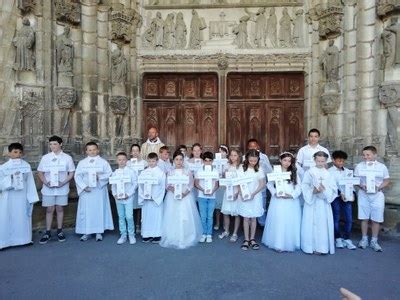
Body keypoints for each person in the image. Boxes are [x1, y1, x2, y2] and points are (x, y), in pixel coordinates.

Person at [0, 143, 39, 250]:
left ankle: (23, 239)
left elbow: (30, 182)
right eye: (15, 152)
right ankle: (5, 242)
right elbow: (0, 184)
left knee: (21, 217)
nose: (18, 155)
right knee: (6, 217)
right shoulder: (3, 167)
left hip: (22, 197)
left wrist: (31, 198)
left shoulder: (26, 166)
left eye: (20, 152)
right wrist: (11, 177)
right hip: (8, 197)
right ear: (9, 153)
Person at [160, 151, 202, 249]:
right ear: (173, 161)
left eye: (181, 159)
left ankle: (186, 236)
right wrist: (175, 192)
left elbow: (191, 185)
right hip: (173, 196)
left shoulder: (187, 172)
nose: (179, 161)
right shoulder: (170, 172)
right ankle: (173, 236)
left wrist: (184, 193)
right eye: (177, 159)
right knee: (173, 215)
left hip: (185, 197)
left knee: (185, 215)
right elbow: (167, 185)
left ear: (183, 161)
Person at [37, 135, 75, 244]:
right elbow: (40, 172)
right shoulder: (46, 158)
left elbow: (71, 172)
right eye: (50, 144)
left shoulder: (67, 158)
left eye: (55, 144)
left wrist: (63, 182)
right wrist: (46, 183)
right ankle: (47, 232)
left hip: (62, 188)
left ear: (60, 144)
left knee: (59, 209)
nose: (52, 146)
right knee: (49, 209)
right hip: (48, 188)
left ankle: (59, 231)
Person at [262, 152, 302, 252]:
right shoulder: (275, 171)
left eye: (289, 161)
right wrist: (274, 193)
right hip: (278, 200)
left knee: (289, 220)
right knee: (279, 220)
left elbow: (299, 186)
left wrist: (292, 195)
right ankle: (278, 243)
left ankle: (290, 242)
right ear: (280, 160)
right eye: (285, 160)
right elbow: (269, 184)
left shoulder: (294, 172)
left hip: (290, 200)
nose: (287, 163)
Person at [74, 142, 114, 242]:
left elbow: (109, 174)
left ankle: (98, 232)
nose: (92, 152)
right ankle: (86, 232)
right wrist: (83, 187)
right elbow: (77, 176)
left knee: (98, 210)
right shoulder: (82, 163)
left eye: (94, 149)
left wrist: (99, 177)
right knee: (87, 211)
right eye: (90, 150)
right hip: (87, 191)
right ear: (86, 151)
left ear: (98, 150)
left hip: (98, 190)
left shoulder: (103, 162)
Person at [354, 146, 390, 252]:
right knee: (364, 218)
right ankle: (364, 239)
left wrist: (379, 187)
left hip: (377, 194)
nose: (365, 157)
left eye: (368, 155)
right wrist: (362, 186)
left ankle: (374, 240)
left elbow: (387, 180)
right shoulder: (359, 166)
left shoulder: (382, 167)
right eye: (364, 155)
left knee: (376, 218)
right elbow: (356, 180)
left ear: (375, 155)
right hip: (364, 194)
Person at [301, 151, 337, 255]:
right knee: (311, 223)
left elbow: (333, 189)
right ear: (314, 160)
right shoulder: (310, 172)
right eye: (318, 160)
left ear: (326, 161)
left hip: (323, 203)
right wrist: (313, 191)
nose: (320, 163)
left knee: (322, 225)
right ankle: (309, 246)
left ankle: (322, 247)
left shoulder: (329, 174)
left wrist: (325, 191)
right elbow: (305, 185)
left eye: (322, 161)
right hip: (312, 202)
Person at [237, 150, 266, 251]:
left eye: (255, 160)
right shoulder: (242, 168)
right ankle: (246, 239)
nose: (253, 162)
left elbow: (262, 183)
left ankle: (252, 239)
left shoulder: (259, 169)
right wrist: (241, 193)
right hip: (244, 195)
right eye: (251, 160)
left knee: (253, 218)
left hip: (255, 196)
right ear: (247, 159)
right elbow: (238, 182)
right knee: (246, 218)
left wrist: (253, 194)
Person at [328, 150, 357, 250]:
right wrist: (340, 193)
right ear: (333, 160)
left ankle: (347, 238)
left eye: (342, 161)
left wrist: (353, 194)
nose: (341, 163)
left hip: (347, 198)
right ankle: (338, 238)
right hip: (335, 197)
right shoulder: (329, 172)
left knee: (348, 218)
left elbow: (351, 185)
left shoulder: (348, 172)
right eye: (339, 161)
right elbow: (331, 185)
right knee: (336, 218)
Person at [138, 152, 166, 243]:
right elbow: (140, 185)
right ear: (147, 161)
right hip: (146, 199)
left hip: (156, 199)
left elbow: (162, 187)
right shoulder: (143, 172)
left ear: (157, 161)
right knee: (147, 217)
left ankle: (157, 235)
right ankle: (146, 234)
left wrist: (155, 197)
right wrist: (144, 196)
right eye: (149, 161)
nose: (151, 163)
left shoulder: (161, 173)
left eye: (153, 161)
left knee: (156, 217)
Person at [110, 152, 138, 245]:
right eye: (119, 159)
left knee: (129, 216)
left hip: (128, 198)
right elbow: (113, 185)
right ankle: (123, 235)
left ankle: (131, 234)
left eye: (123, 159)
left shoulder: (131, 171)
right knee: (121, 216)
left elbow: (135, 184)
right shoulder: (115, 173)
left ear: (126, 161)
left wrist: (128, 194)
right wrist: (114, 195)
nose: (121, 161)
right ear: (117, 161)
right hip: (118, 198)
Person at [194, 151, 219, 243]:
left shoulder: (215, 171)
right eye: (206, 160)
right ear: (203, 161)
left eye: (209, 160)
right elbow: (196, 183)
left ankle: (209, 234)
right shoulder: (199, 171)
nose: (207, 162)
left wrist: (212, 191)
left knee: (210, 216)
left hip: (212, 196)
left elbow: (217, 184)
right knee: (203, 215)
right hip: (201, 196)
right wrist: (203, 190)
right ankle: (203, 233)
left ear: (212, 161)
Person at [247, 138, 272, 226]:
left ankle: (262, 223)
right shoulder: (244, 157)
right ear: (248, 147)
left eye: (255, 146)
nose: (253, 148)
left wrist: (262, 164)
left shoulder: (264, 157)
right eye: (251, 147)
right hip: (249, 186)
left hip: (261, 185)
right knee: (249, 204)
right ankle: (249, 224)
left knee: (262, 205)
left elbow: (269, 171)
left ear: (258, 147)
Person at [219, 149, 242, 242]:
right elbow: (223, 178)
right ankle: (226, 231)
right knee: (226, 212)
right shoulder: (227, 165)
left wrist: (238, 192)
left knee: (236, 213)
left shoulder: (241, 167)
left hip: (236, 191)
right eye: (231, 155)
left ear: (238, 156)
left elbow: (242, 181)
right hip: (228, 191)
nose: (233, 157)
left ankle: (235, 233)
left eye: (235, 155)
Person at [127, 144, 148, 234]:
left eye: (137, 151)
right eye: (133, 151)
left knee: (139, 206)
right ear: (131, 152)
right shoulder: (128, 163)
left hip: (141, 187)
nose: (135, 152)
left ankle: (138, 224)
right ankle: (131, 224)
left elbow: (148, 173)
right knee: (131, 206)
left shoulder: (144, 163)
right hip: (131, 187)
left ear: (139, 152)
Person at [214, 144, 229, 231]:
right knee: (217, 205)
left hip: (225, 185)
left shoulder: (227, 162)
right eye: (219, 151)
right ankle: (217, 222)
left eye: (223, 151)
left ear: (226, 153)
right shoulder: (215, 161)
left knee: (224, 205)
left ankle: (224, 223)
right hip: (218, 185)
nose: (221, 153)